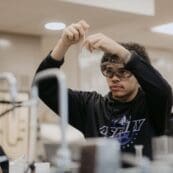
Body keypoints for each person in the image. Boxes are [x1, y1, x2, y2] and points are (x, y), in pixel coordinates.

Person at [35, 20, 172, 159]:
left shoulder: (152, 105)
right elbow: (44, 86)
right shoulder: (91, 107)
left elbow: (163, 91)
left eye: (123, 71)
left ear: (138, 75)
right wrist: (64, 43)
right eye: (109, 71)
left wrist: (121, 52)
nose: (115, 78)